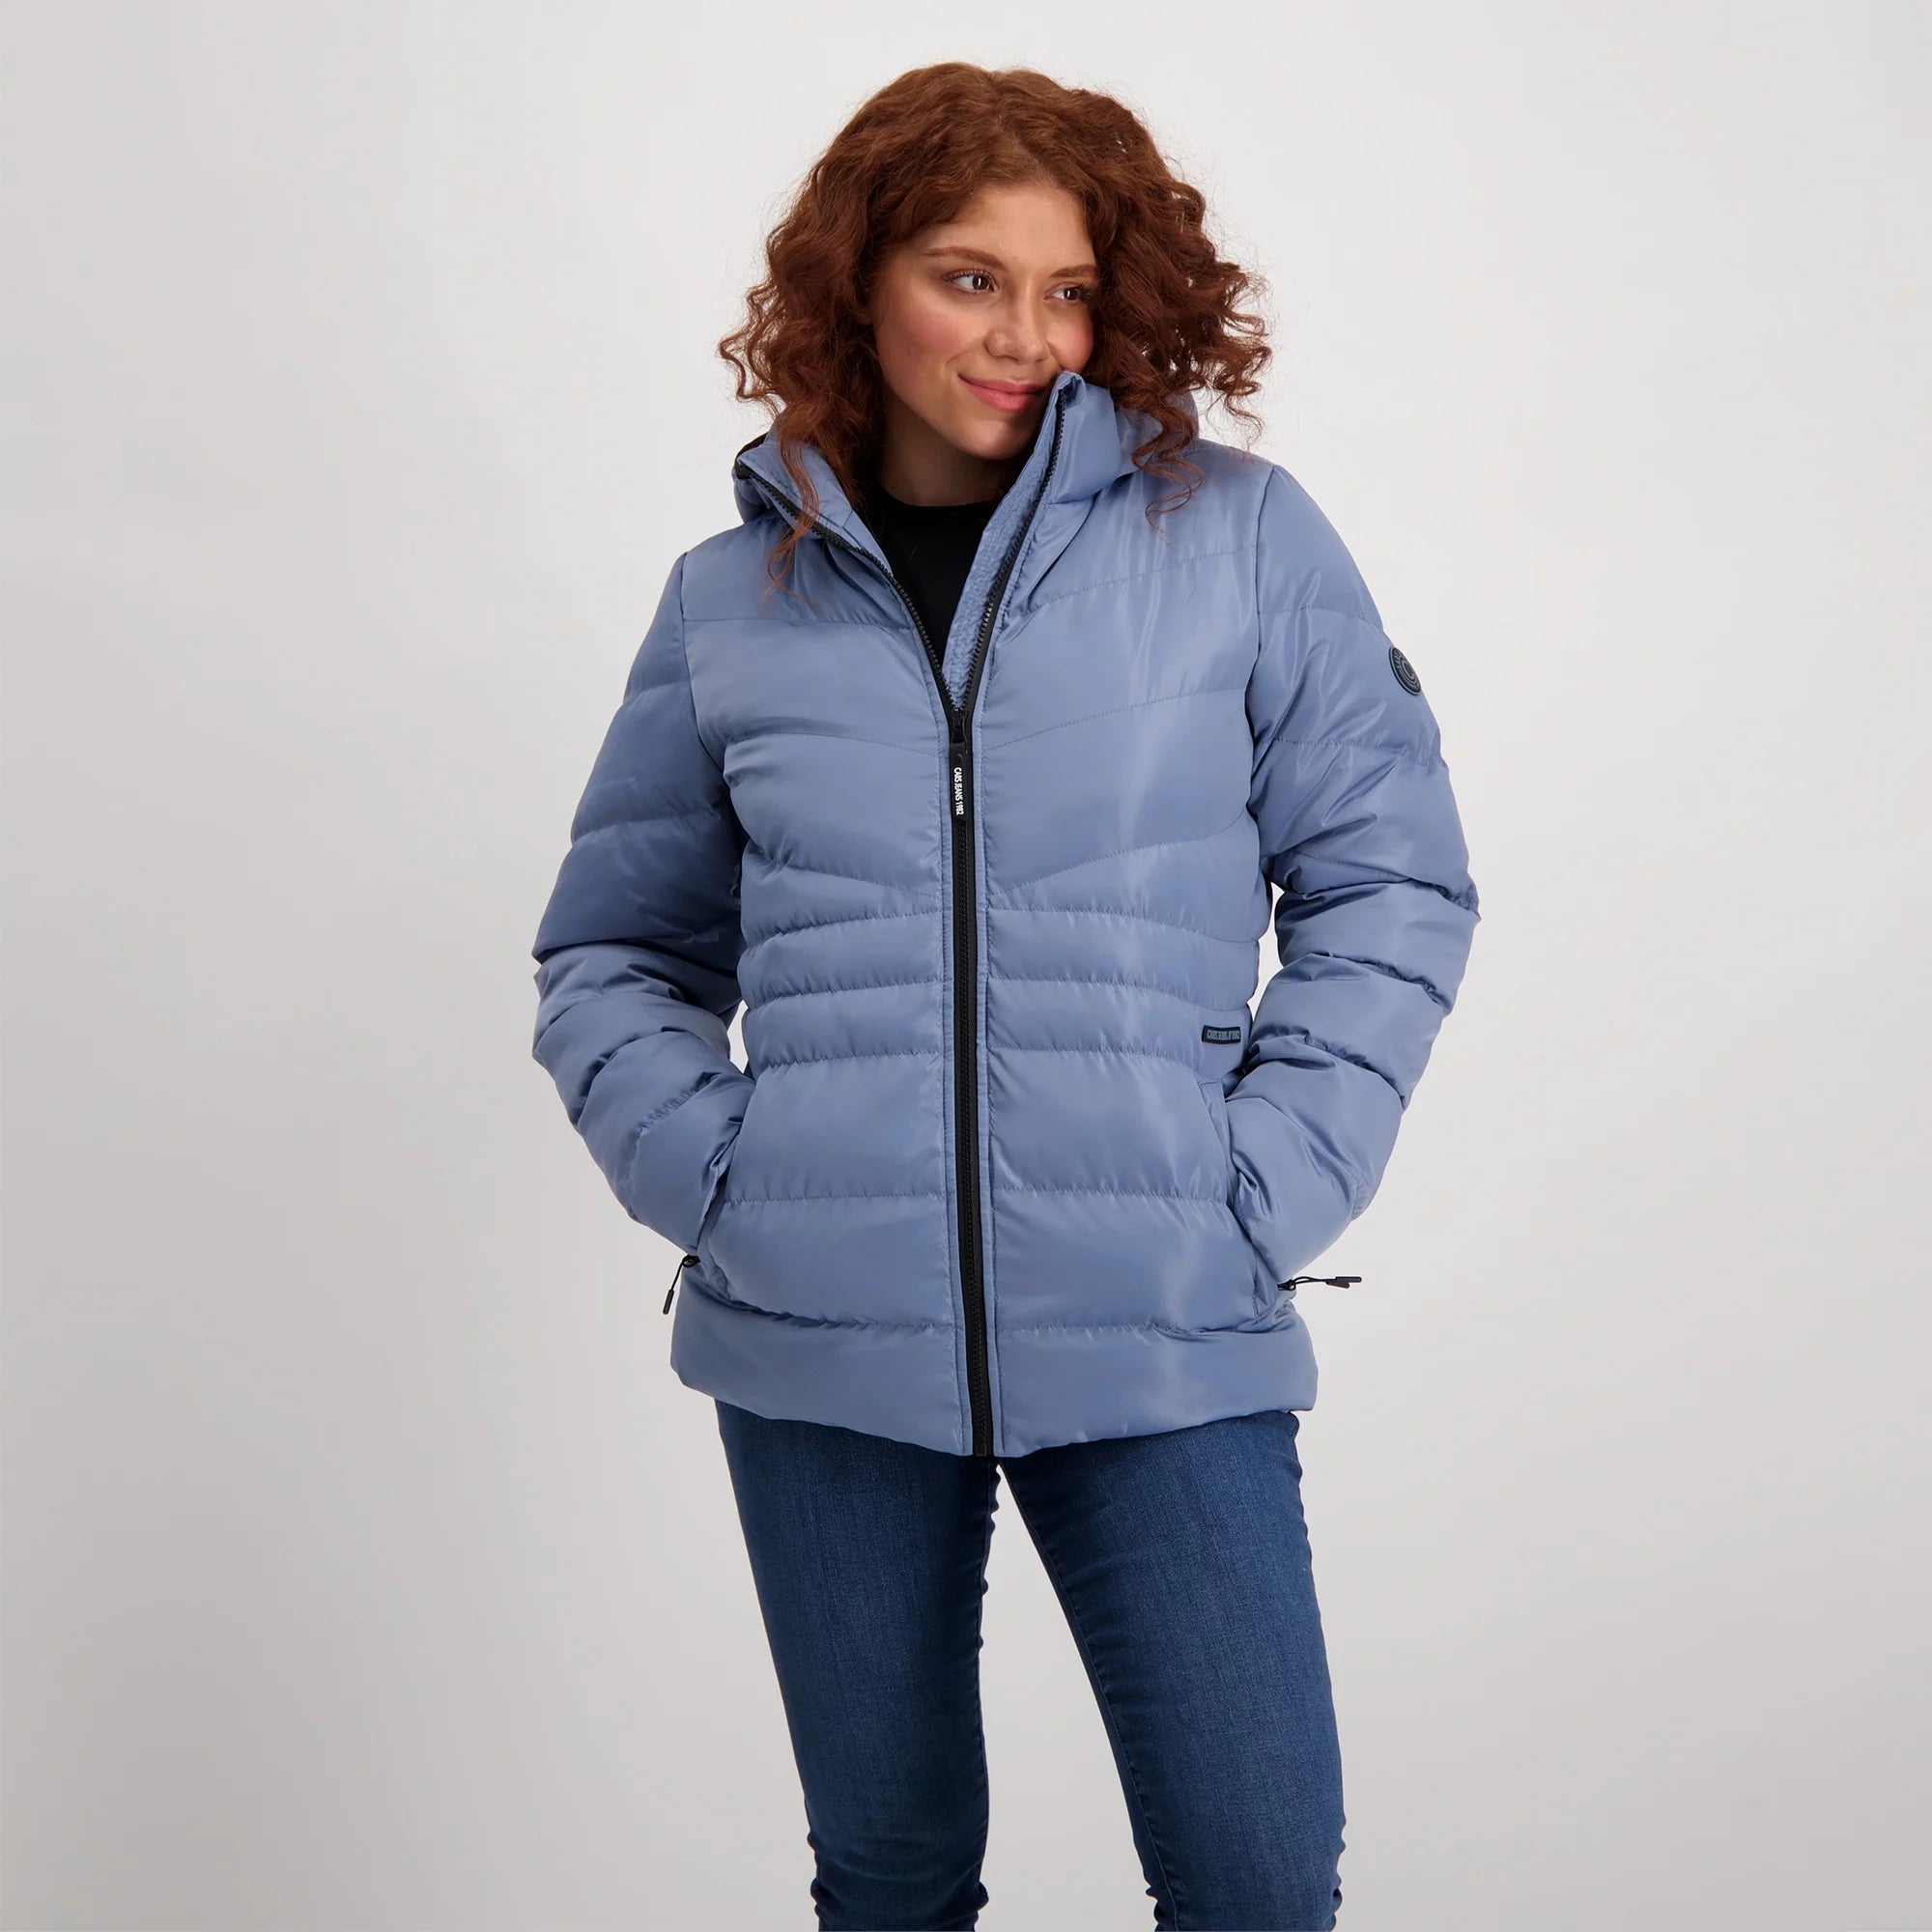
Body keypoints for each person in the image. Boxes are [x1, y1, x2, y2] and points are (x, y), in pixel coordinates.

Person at [528, 61, 1480, 1932]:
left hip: (1163, 1303)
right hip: (816, 1327)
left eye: (1068, 290)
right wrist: (726, 1180)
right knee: (887, 1880)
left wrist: (1257, 1185)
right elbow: (612, 948)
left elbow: (1391, 880)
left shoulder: (1240, 539)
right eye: (970, 278)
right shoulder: (732, 600)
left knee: (1255, 1880)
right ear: (859, 283)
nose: (1026, 338)